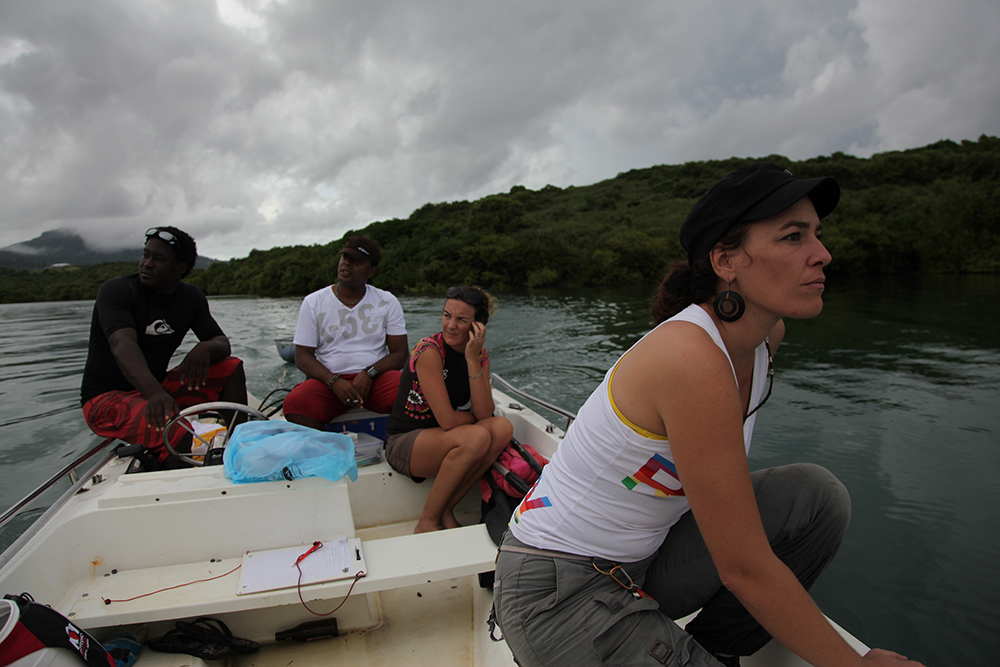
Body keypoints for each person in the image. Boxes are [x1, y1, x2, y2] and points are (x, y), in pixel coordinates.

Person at [493, 163, 925, 667]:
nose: (822, 254)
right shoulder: (690, 359)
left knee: (816, 497)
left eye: (817, 234)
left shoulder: (764, 338)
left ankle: (716, 648)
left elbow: (743, 554)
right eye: (792, 237)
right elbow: (743, 567)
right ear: (726, 261)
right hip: (555, 592)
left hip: (643, 562)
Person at [81, 227, 247, 468]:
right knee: (174, 430)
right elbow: (122, 345)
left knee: (231, 368)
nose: (147, 264)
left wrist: (206, 348)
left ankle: (242, 445)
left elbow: (222, 343)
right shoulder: (117, 291)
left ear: (180, 267)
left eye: (158, 259)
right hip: (105, 400)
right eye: (145, 255)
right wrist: (155, 394)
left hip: (155, 390)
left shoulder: (190, 297)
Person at [385, 286, 513, 534]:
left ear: (477, 327)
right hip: (405, 443)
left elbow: (485, 414)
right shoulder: (430, 351)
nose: (450, 325)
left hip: (442, 440)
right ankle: (427, 521)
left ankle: (445, 508)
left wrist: (472, 359)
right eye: (447, 315)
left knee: (502, 428)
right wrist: (473, 418)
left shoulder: (479, 356)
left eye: (461, 320)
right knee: (476, 435)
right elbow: (448, 421)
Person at [283, 236, 408, 429]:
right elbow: (302, 356)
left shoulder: (387, 301)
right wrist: (333, 381)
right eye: (344, 257)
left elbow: (400, 354)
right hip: (328, 382)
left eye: (355, 260)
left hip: (375, 380)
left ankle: (395, 443)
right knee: (296, 403)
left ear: (371, 271)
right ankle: (326, 447)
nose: (346, 262)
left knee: (413, 392)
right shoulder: (313, 302)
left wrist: (369, 373)